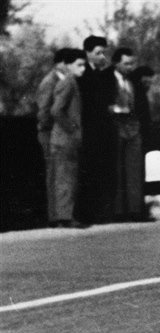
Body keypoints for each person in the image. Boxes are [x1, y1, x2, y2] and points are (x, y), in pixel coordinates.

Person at [102, 47, 144, 221]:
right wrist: (119, 109)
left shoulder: (134, 80)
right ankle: (118, 211)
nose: (130, 67)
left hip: (133, 127)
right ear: (116, 63)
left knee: (134, 169)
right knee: (117, 170)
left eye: (132, 63)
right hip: (115, 127)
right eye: (126, 63)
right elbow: (102, 105)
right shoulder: (105, 78)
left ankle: (135, 210)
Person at [77, 35, 116, 223]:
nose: (102, 57)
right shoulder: (83, 75)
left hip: (100, 131)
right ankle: (86, 214)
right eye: (98, 53)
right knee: (88, 171)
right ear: (87, 53)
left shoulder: (101, 75)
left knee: (99, 171)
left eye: (104, 53)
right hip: (88, 130)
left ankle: (98, 213)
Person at [49, 49, 89, 228]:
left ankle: (65, 216)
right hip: (65, 139)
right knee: (66, 179)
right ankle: (65, 218)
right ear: (68, 65)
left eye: (84, 65)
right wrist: (72, 128)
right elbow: (56, 110)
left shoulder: (72, 82)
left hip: (65, 140)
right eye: (79, 65)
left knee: (66, 178)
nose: (83, 69)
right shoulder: (68, 83)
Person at [36, 48, 70, 226]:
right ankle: (55, 217)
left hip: (58, 134)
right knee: (53, 174)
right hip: (49, 134)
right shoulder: (50, 81)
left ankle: (62, 215)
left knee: (61, 174)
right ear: (61, 63)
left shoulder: (64, 80)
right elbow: (43, 111)